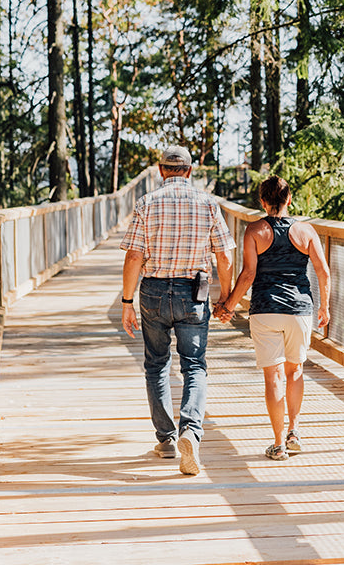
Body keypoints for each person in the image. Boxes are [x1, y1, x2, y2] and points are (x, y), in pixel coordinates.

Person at [121, 145, 235, 476]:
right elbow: (225, 257)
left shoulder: (146, 203)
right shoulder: (208, 204)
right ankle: (191, 432)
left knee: (156, 364)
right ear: (189, 170)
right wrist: (226, 298)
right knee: (194, 366)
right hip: (194, 290)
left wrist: (127, 303)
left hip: (154, 290)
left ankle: (167, 439)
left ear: (161, 170)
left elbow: (133, 257)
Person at [214, 175, 330, 461]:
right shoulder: (307, 231)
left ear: (263, 202)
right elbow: (323, 272)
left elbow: (249, 274)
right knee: (296, 371)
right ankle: (294, 431)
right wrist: (324, 308)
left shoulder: (255, 230)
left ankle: (278, 444)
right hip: (300, 311)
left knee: (273, 376)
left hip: (265, 309)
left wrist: (228, 305)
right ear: (289, 199)